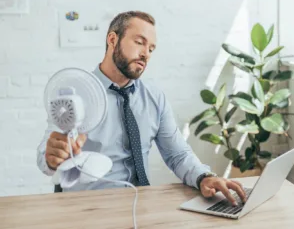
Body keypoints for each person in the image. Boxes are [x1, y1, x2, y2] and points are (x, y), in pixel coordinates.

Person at [37, 11, 246, 206]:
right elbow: (46, 156)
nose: (146, 54)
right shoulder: (77, 94)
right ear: (112, 40)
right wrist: (52, 155)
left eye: (151, 49)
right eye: (139, 43)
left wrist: (204, 177)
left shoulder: (154, 97)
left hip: (141, 205)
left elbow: (178, 155)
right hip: (90, 208)